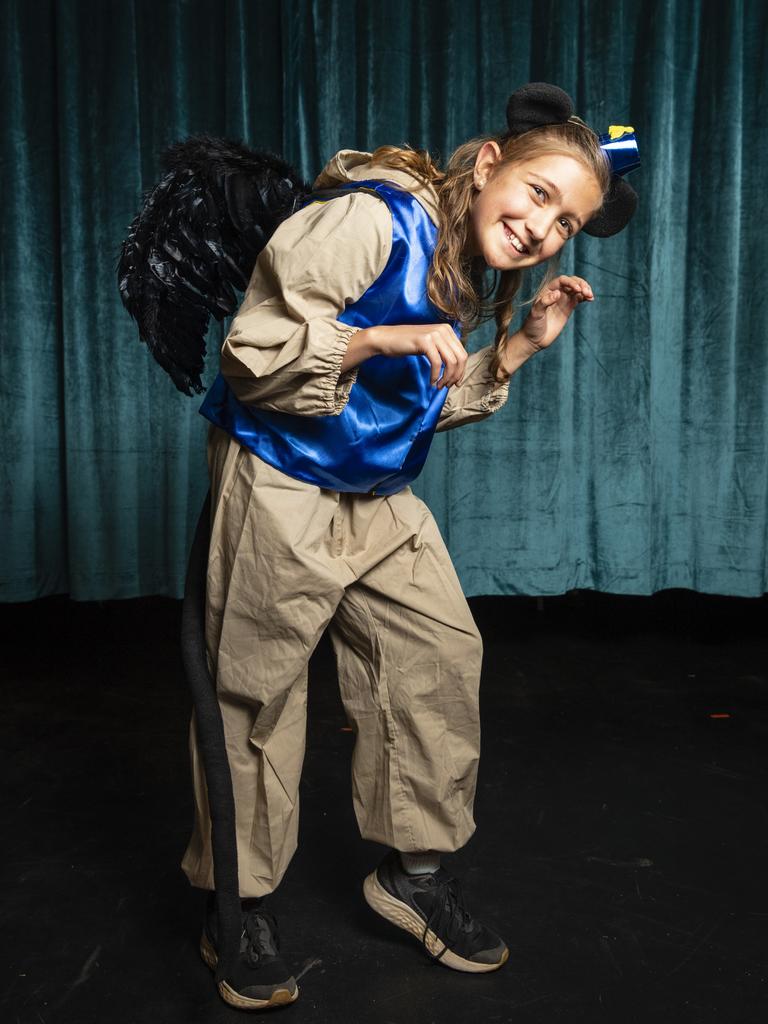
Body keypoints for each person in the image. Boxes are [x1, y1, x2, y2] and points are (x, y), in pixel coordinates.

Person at [178, 82, 638, 1010]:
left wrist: (516, 350)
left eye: (567, 227)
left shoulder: (469, 265)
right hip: (282, 481)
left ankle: (413, 877)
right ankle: (241, 905)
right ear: (490, 164)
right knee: (255, 692)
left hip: (374, 494)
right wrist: (380, 334)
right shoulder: (370, 219)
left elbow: (411, 400)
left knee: (434, 656)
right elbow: (253, 355)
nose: (545, 230)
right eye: (541, 197)